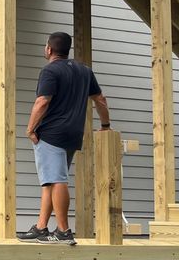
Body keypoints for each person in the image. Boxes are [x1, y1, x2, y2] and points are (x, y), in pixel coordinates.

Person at [18, 31, 110, 245]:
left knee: (57, 180)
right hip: (73, 134)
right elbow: (100, 99)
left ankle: (63, 231)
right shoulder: (85, 71)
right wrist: (105, 125)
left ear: (49, 49)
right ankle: (41, 227)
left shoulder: (50, 70)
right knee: (50, 180)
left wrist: (30, 129)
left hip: (51, 134)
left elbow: (42, 101)